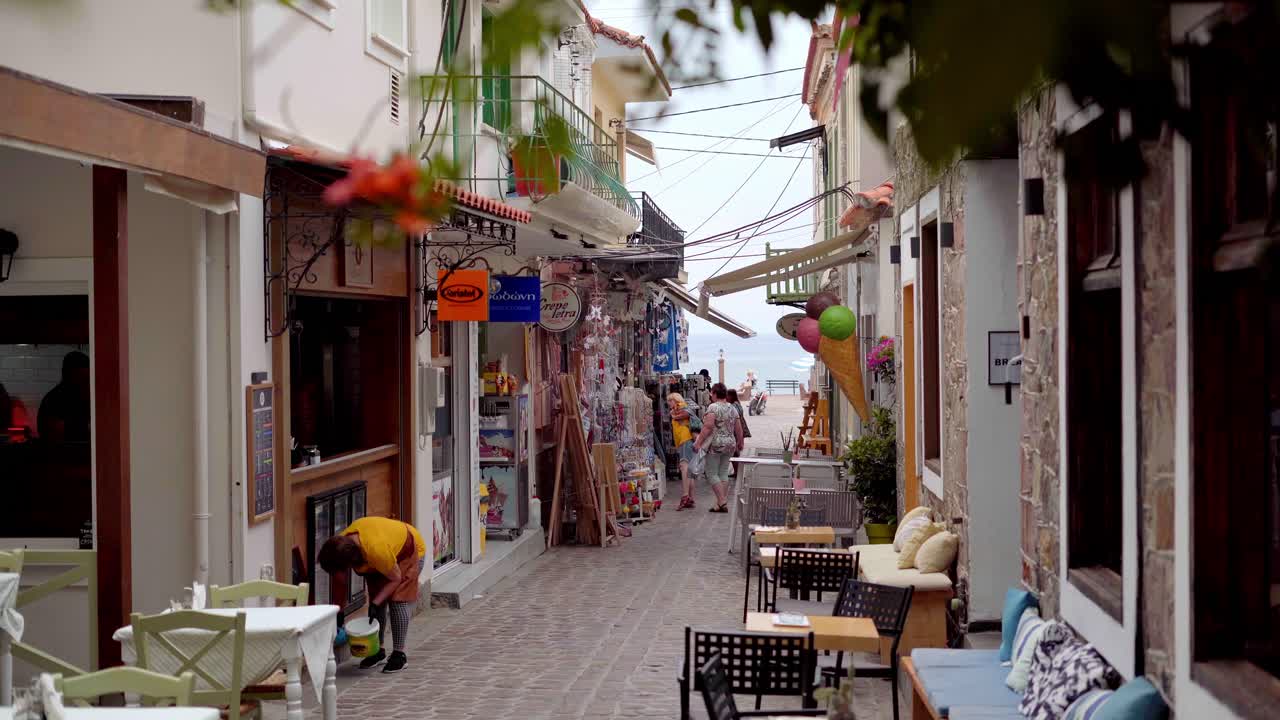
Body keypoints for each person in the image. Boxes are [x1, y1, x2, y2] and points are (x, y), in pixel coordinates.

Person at [317, 516, 427, 673]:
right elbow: (340, 581)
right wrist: (339, 612)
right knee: (377, 602)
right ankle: (377, 652)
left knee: (398, 600)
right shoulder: (339, 546)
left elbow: (395, 579)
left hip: (409, 549)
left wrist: (376, 603)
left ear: (350, 561)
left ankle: (399, 654)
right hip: (384, 552)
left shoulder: (376, 551)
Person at [693, 382, 743, 513]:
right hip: (730, 444)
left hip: (716, 444)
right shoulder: (732, 408)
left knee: (711, 473)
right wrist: (740, 441)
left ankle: (722, 501)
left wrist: (698, 442)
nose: (711, 396)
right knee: (723, 472)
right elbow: (738, 427)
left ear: (715, 394)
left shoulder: (713, 407)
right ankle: (720, 504)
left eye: (712, 393)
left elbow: (708, 427)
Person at [37, 351, 90, 443]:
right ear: (67, 374)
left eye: (86, 378)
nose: (85, 383)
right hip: (60, 450)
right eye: (81, 377)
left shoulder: (84, 396)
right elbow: (54, 431)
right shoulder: (53, 400)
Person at [667, 392, 697, 510]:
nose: (669, 403)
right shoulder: (679, 409)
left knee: (684, 467)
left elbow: (684, 414)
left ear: (675, 400)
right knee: (688, 469)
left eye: (670, 401)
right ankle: (691, 497)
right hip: (685, 440)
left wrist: (673, 415)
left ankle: (685, 496)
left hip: (685, 440)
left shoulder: (682, 408)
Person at [726, 389, 750, 477]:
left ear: (730, 396)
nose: (726, 397)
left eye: (727, 395)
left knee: (734, 452)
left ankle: (737, 472)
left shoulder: (733, 406)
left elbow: (733, 419)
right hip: (739, 428)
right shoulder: (737, 404)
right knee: (735, 452)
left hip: (735, 430)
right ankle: (737, 471)